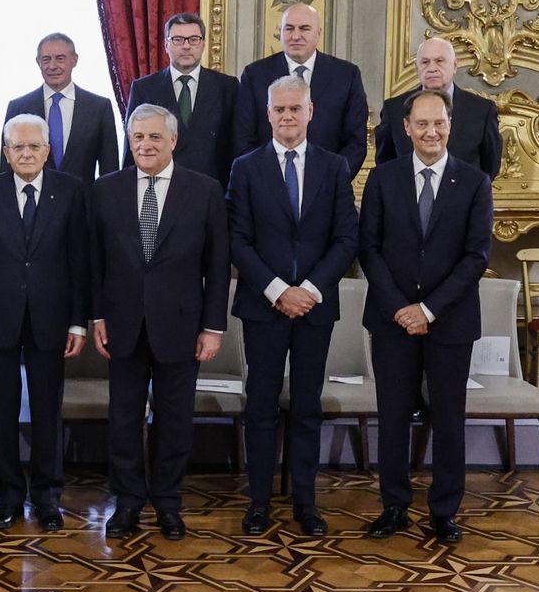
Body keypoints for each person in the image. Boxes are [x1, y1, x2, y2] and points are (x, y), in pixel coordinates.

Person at [89, 104, 229, 540]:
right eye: (138, 138)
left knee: (174, 418)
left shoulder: (203, 190)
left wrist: (213, 327)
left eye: (154, 137)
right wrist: (96, 315)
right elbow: (95, 260)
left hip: (183, 325)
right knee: (124, 417)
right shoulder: (105, 189)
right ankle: (128, 501)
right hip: (122, 323)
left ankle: (168, 502)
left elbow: (218, 264)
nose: (145, 145)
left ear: (173, 141)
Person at [226, 77, 358, 537]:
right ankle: (259, 503)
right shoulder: (245, 168)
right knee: (260, 406)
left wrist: (310, 290)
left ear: (310, 111)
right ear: (268, 114)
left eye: (294, 109)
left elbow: (346, 238)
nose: (286, 116)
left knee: (306, 408)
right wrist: (279, 289)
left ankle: (306, 502)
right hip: (264, 308)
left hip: (315, 309)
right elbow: (237, 241)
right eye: (278, 109)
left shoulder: (336, 167)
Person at [359, 89, 493, 545]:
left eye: (439, 124)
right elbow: (369, 250)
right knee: (392, 416)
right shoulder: (382, 180)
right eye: (422, 124)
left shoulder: (475, 183)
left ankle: (443, 511)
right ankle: (394, 506)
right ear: (407, 128)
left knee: (449, 418)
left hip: (449, 322)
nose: (431, 132)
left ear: (449, 127)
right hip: (391, 319)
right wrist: (402, 307)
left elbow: (476, 257)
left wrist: (429, 310)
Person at [0, 114, 88, 531]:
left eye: (35, 146)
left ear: (48, 150)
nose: (27, 153)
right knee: (1, 409)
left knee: (48, 409)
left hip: (52, 320)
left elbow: (78, 261)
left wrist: (78, 323)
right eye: (18, 147)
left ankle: (47, 497)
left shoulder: (70, 191)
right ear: (6, 152)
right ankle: (9, 496)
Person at [233, 3, 369, 177]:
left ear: (318, 33)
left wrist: (332, 180)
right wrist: (267, 181)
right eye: (289, 29)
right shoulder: (255, 75)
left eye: (304, 29)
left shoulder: (346, 75)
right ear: (280, 33)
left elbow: (355, 142)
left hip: (327, 188)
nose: (296, 36)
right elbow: (243, 138)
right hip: (267, 187)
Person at [125, 13, 240, 185]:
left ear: (203, 44)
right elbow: (132, 148)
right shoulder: (144, 88)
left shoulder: (227, 87)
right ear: (166, 45)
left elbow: (236, 146)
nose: (186, 46)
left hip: (212, 191)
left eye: (193, 39)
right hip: (158, 189)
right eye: (177, 40)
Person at [375, 37, 502, 179]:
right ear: (417, 68)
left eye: (439, 61)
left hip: (462, 197)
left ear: (454, 66)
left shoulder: (482, 110)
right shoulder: (394, 109)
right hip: (407, 197)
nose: (432, 68)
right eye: (425, 62)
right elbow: (385, 164)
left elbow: (490, 165)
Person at [3, 33, 119, 183]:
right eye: (46, 59)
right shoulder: (18, 107)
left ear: (74, 60)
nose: (52, 66)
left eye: (60, 58)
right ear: (38, 62)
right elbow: (6, 170)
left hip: (84, 204)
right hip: (32, 203)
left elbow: (110, 171)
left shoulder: (99, 108)